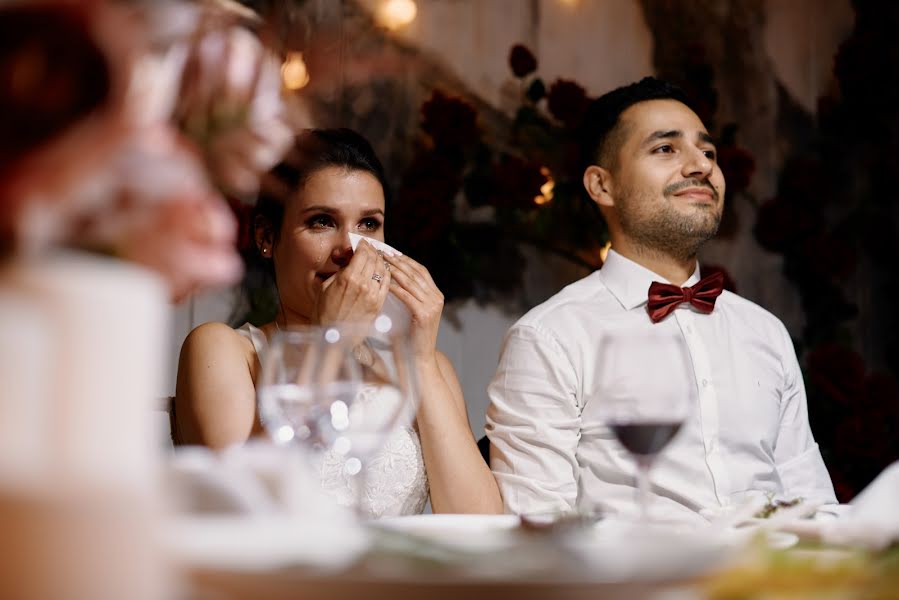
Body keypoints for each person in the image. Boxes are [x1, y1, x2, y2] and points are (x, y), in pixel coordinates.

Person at [485, 77, 837, 522]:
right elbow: (538, 532)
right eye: (666, 149)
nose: (700, 166)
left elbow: (811, 502)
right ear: (602, 186)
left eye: (708, 152)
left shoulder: (764, 330)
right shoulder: (550, 337)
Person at [174, 128, 502, 516]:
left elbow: (479, 523)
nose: (350, 248)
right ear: (266, 235)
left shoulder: (423, 363)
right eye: (322, 221)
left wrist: (422, 362)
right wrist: (329, 342)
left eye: (368, 225)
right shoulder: (223, 350)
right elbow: (240, 509)